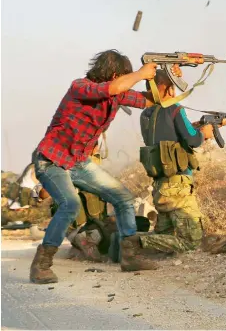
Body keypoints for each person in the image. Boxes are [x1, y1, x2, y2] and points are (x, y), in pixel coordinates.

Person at [29, 49, 182, 284]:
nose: (124, 79)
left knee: (123, 198)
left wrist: (165, 80)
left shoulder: (116, 94)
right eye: (122, 75)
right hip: (51, 160)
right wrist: (141, 73)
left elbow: (151, 101)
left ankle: (129, 256)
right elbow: (113, 88)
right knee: (70, 204)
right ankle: (41, 265)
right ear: (111, 73)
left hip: (78, 162)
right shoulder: (81, 87)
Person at [137, 69, 226, 254]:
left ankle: (129, 243)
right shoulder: (174, 108)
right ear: (168, 89)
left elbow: (169, 137)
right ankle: (134, 242)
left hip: (161, 184)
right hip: (178, 185)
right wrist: (205, 133)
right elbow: (193, 140)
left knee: (165, 232)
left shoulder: (146, 114)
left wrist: (197, 128)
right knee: (191, 242)